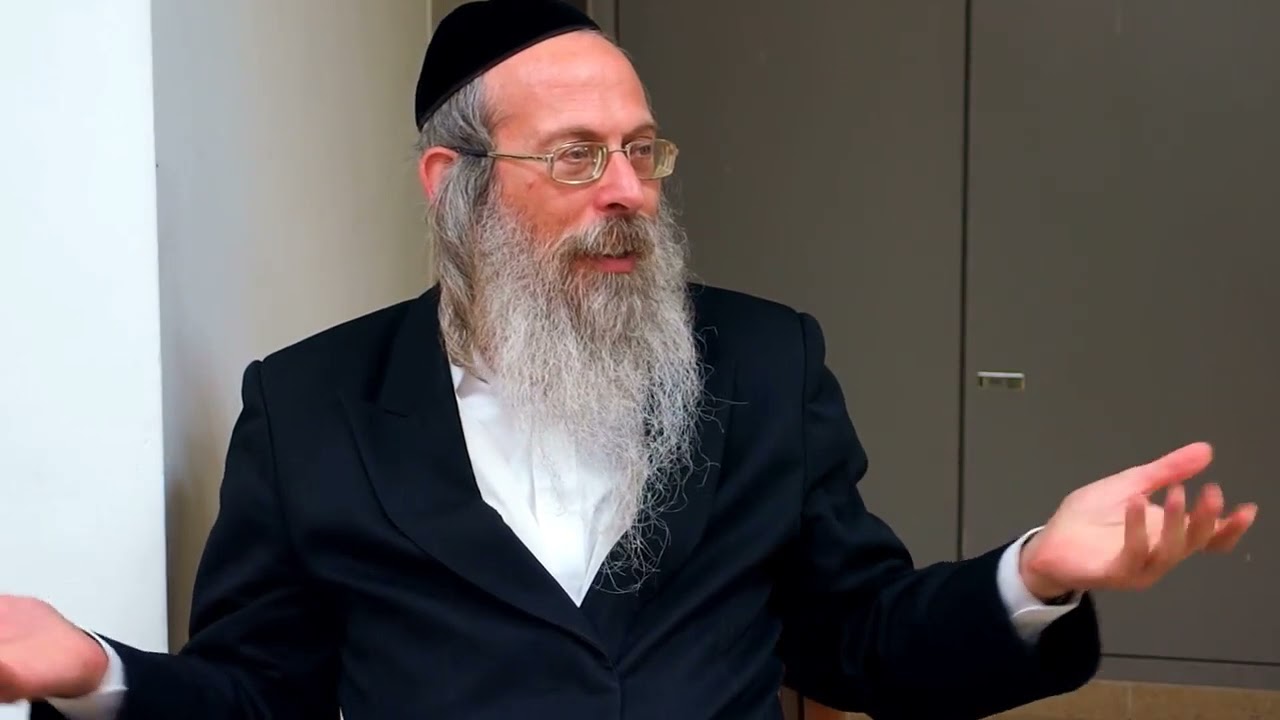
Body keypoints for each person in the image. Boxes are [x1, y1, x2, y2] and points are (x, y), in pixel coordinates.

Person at [1, 1, 1258, 718]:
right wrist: (97, 675)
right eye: (576, 156)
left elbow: (860, 638)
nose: (629, 192)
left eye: (641, 151)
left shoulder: (763, 361)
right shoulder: (310, 404)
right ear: (452, 185)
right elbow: (255, 697)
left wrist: (1032, 574)